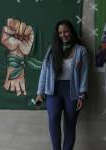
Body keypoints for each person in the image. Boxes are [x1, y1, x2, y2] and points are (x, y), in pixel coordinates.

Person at [35, 20, 89, 150]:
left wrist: (82, 95)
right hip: (53, 91)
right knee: (53, 119)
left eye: (65, 31)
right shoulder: (52, 50)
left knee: (70, 125)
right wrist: (39, 93)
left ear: (71, 32)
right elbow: (44, 72)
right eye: (60, 32)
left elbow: (85, 74)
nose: (63, 35)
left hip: (73, 92)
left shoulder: (81, 51)